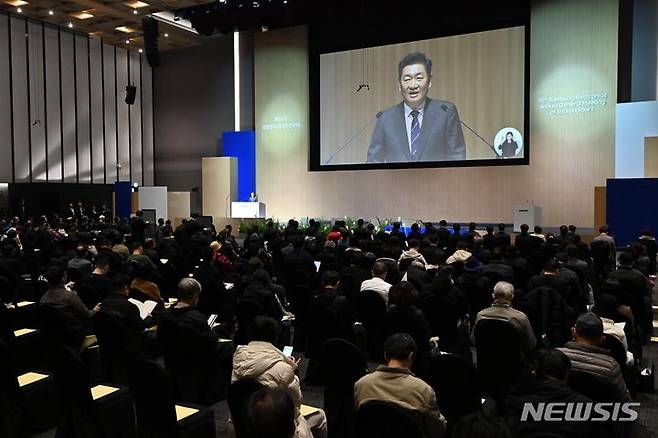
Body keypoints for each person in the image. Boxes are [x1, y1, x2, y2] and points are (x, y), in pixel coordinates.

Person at [231, 315, 327, 438]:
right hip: (275, 429)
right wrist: (291, 371)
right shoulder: (283, 368)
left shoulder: (238, 357)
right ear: (275, 338)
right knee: (321, 415)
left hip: (240, 426)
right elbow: (295, 404)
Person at [366, 52, 465, 163]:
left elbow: (457, 158)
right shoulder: (385, 119)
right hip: (395, 180)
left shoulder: (445, 113)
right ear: (399, 84)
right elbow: (373, 163)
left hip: (437, 180)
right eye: (407, 79)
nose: (413, 85)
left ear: (429, 81)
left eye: (419, 78)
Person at [354, 333, 447, 437]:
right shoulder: (423, 390)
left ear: (385, 354)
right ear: (411, 356)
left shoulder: (361, 384)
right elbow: (437, 431)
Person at [557, 312, 631, 402]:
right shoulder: (610, 367)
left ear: (573, 332)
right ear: (602, 339)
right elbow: (624, 402)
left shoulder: (557, 357)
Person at [472, 281, 536, 355]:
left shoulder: (481, 315)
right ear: (512, 297)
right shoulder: (521, 318)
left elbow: (473, 341)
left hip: (485, 362)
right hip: (512, 363)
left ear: (493, 295)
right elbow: (531, 345)